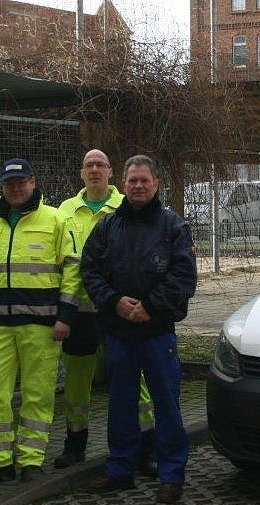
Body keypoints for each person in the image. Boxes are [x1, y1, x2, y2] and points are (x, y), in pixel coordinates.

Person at [82, 155, 196, 504]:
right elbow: (89, 271)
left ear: (156, 184)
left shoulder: (173, 227)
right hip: (118, 333)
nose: (138, 186)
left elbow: (184, 277)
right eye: (132, 181)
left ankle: (171, 475)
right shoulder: (107, 227)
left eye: (144, 180)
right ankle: (120, 471)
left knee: (167, 406)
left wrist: (150, 306)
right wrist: (114, 301)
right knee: (120, 406)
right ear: (124, 184)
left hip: (157, 334)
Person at [53, 149, 158, 475]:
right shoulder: (64, 211)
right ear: (81, 173)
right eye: (88, 165)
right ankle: (75, 443)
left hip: (118, 310)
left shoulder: (125, 208)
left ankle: (145, 447)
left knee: (133, 381)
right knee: (77, 382)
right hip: (79, 312)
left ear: (112, 173)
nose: (94, 170)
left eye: (100, 165)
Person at [0, 158, 64, 487]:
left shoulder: (54, 220)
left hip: (41, 325)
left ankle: (31, 460)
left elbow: (72, 270)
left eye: (22, 182)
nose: (16, 188)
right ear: (3, 187)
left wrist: (65, 315)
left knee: (37, 394)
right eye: (10, 184)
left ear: (33, 182)